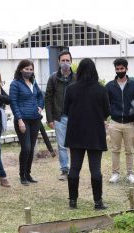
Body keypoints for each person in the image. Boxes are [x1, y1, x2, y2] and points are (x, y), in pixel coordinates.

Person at [63, 58, 110, 210]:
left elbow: (65, 111)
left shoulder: (70, 89)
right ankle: (98, 202)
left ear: (79, 71)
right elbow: (106, 112)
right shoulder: (101, 89)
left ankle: (72, 201)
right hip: (95, 133)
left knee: (74, 168)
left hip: (75, 132)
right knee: (95, 169)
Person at [105, 58, 134, 185]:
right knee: (115, 150)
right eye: (117, 69)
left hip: (130, 123)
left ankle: (130, 174)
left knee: (130, 150)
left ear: (126, 69)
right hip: (115, 123)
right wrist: (104, 118)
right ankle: (115, 173)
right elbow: (104, 103)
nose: (119, 71)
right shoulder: (109, 86)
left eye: (122, 69)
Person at [10, 59, 44, 185]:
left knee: (32, 148)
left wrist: (40, 107)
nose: (29, 71)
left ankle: (28, 173)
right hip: (22, 120)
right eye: (26, 69)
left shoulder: (33, 83)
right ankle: (22, 175)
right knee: (26, 148)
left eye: (31, 69)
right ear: (20, 69)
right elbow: (13, 103)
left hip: (35, 119)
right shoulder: (15, 84)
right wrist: (19, 120)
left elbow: (40, 96)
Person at [45, 50, 74, 181]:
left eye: (68, 60)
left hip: (75, 118)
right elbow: (48, 99)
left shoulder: (77, 77)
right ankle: (64, 170)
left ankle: (74, 169)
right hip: (59, 117)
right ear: (58, 62)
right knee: (62, 145)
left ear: (71, 62)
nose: (65, 63)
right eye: (63, 60)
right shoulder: (53, 78)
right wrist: (50, 118)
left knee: (74, 145)